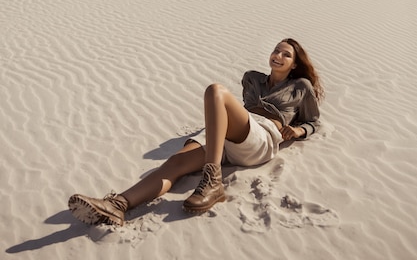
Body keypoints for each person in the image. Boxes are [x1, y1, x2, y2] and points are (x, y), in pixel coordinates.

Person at [68, 38, 324, 226]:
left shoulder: (300, 86)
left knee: (216, 91)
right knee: (176, 162)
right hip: (227, 133)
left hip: (260, 137)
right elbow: (242, 109)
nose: (278, 55)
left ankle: (213, 183)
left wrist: (298, 131)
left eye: (286, 54)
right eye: (276, 50)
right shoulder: (252, 79)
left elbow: (314, 121)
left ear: (293, 65)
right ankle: (118, 205)